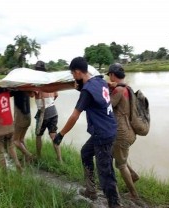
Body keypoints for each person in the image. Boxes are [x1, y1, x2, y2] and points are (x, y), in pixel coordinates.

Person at [53, 57, 121, 208]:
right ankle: (91, 190)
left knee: (106, 173)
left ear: (77, 72)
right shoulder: (100, 81)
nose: (73, 78)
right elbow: (105, 89)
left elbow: (74, 116)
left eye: (73, 74)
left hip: (103, 134)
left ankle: (114, 204)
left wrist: (61, 134)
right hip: (107, 129)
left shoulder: (87, 91)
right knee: (86, 153)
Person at [107, 63, 140, 200]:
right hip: (130, 130)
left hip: (121, 132)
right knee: (117, 156)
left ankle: (134, 195)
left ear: (112, 75)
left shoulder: (118, 91)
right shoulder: (128, 88)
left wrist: (108, 91)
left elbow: (107, 106)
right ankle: (133, 175)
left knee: (120, 164)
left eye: (109, 75)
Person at [34, 61, 62, 162]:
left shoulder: (36, 82)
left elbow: (32, 94)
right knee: (53, 135)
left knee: (38, 135)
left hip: (43, 112)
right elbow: (56, 95)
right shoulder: (50, 81)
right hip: (53, 111)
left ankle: (38, 156)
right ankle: (60, 159)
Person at [11, 90, 34, 163]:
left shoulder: (16, 88)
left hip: (20, 118)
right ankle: (27, 159)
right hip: (28, 116)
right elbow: (32, 94)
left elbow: (8, 94)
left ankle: (28, 155)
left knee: (15, 140)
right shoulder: (26, 87)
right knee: (21, 139)